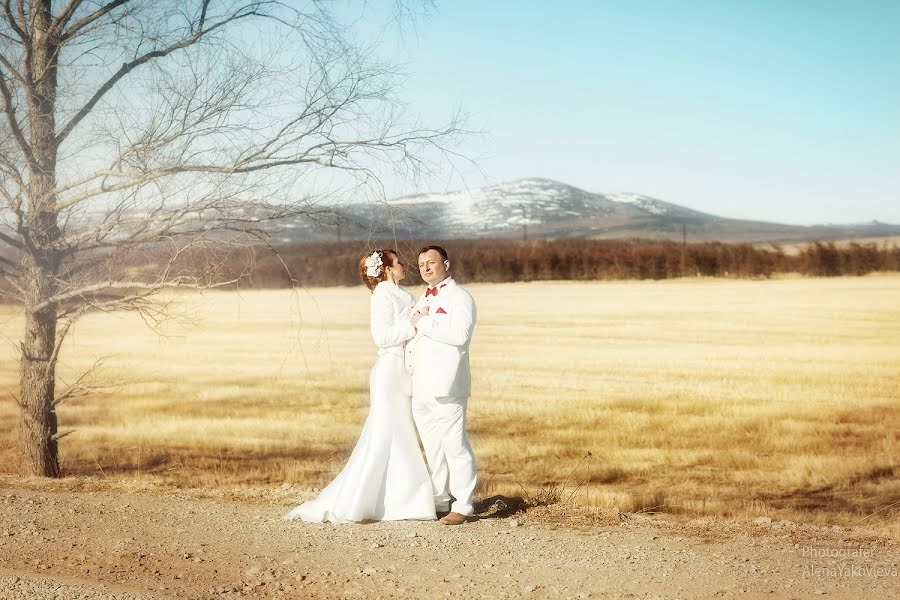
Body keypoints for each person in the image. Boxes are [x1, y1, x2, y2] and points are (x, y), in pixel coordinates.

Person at [284, 250, 436, 523]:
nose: (403, 265)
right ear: (388, 269)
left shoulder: (400, 293)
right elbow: (381, 337)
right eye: (398, 262)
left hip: (403, 371)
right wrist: (413, 324)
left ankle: (398, 499)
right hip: (389, 372)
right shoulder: (382, 295)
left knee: (400, 432)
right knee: (387, 433)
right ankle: (377, 501)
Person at [406, 245, 478, 526]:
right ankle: (440, 499)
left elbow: (460, 336)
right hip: (421, 384)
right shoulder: (423, 296)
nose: (425, 268)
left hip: (447, 384)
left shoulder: (460, 297)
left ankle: (463, 505)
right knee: (432, 446)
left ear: (446, 264)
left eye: (431, 262)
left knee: (455, 445)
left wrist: (424, 323)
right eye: (421, 263)